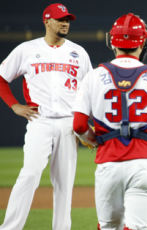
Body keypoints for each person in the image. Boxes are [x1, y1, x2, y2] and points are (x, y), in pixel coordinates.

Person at [72, 13, 147, 230]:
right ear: (144, 42)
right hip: (143, 163)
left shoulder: (93, 77)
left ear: (111, 41)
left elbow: (78, 125)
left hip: (108, 163)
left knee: (108, 227)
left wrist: (94, 139)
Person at [0, 3, 92, 230]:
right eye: (60, 19)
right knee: (29, 175)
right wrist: (14, 106)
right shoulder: (26, 49)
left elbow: (91, 90)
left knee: (64, 184)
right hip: (39, 122)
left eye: (67, 20)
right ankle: (10, 227)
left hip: (69, 124)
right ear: (47, 21)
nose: (65, 23)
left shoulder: (78, 52)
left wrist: (86, 125)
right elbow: (2, 78)